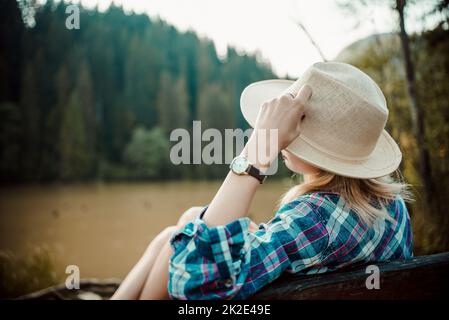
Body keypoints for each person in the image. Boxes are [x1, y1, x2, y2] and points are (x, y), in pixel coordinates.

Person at [111, 62, 413, 300]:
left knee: (188, 229)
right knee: (177, 230)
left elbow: (195, 283)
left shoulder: (314, 219)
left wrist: (259, 149)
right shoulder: (394, 207)